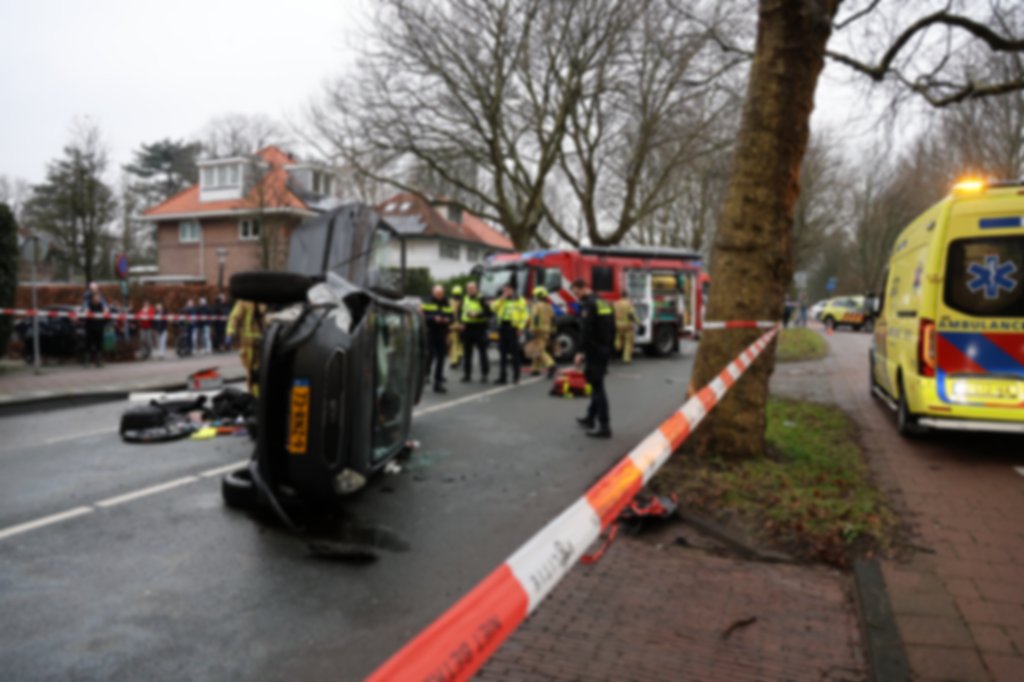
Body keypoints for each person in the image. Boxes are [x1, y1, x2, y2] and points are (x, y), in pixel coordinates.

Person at [571, 278, 615, 438]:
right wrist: (610, 349)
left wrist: (579, 352)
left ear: (583, 288)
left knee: (597, 388)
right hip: (604, 349)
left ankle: (604, 426)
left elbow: (585, 330)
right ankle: (590, 418)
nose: (576, 296)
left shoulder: (588, 305)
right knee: (598, 384)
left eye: (576, 291)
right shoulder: (604, 303)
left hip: (594, 350)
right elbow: (612, 327)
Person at [226, 299, 265, 394]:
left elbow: (234, 317)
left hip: (255, 342)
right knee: (254, 371)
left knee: (254, 371)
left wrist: (230, 332)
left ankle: (255, 395)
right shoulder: (260, 301)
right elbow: (234, 318)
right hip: (258, 342)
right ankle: (256, 394)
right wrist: (230, 331)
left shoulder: (244, 301)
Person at [492, 283, 528, 385]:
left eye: (507, 290)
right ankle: (502, 377)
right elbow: (493, 308)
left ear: (512, 290)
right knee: (502, 353)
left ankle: (516, 376)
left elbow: (525, 315)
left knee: (515, 353)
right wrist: (502, 298)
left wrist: (520, 328)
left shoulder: (520, 300)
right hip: (502, 327)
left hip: (513, 328)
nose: (505, 292)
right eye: (504, 290)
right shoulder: (502, 300)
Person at [421, 284, 454, 393]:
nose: (440, 296)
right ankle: (425, 375)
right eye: (437, 294)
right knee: (429, 356)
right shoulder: (427, 301)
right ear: (433, 293)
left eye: (441, 294)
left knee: (441, 358)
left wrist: (447, 320)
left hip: (442, 333)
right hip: (430, 332)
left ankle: (438, 382)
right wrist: (433, 318)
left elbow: (452, 317)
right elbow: (422, 316)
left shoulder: (446, 302)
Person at [460, 281, 491, 383]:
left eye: (472, 289)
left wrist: (477, 314)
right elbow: (460, 312)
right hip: (467, 328)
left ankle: (484, 375)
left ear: (476, 289)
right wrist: (460, 323)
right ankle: (467, 374)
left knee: (482, 352)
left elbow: (489, 313)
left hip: (479, 328)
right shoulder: (464, 298)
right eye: (469, 289)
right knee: (467, 353)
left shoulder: (481, 298)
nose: (470, 290)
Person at [527, 286, 556, 378]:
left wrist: (533, 329)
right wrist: (553, 330)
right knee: (538, 348)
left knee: (539, 350)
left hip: (538, 330)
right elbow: (553, 319)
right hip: (547, 330)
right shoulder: (548, 306)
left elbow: (535, 317)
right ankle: (535, 369)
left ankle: (551, 365)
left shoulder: (536, 305)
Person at [81, 282, 108, 367]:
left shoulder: (101, 300)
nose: (94, 290)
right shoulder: (87, 299)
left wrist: (106, 311)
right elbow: (85, 308)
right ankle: (87, 360)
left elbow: (105, 310)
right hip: (90, 327)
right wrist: (86, 311)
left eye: (95, 288)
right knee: (88, 344)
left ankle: (98, 360)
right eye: (93, 288)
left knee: (98, 344)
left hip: (99, 327)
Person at [612, 289, 639, 363]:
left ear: (621, 295)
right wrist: (638, 322)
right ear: (627, 295)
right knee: (628, 342)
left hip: (617, 325)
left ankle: (615, 349)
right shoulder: (629, 304)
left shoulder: (616, 303)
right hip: (627, 326)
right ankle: (626, 359)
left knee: (618, 339)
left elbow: (613, 314)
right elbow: (632, 315)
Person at [448, 284, 464, 369]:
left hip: (453, 325)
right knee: (459, 342)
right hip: (459, 325)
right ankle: (459, 356)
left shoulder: (450, 301)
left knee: (454, 343)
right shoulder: (463, 301)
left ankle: (455, 360)